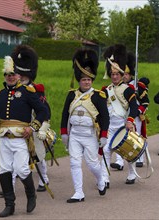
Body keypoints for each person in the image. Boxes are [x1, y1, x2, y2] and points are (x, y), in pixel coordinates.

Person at [0, 45, 48, 218]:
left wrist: (32, 127)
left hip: (20, 139)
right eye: (8, 75)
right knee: (4, 170)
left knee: (22, 170)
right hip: (4, 139)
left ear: (18, 75)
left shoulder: (27, 92)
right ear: (5, 76)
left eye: (13, 74)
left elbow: (43, 111)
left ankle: (31, 194)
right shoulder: (0, 95)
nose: (10, 77)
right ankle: (9, 205)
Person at [60, 48, 109, 203]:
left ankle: (101, 179)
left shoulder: (98, 96)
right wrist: (64, 133)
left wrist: (104, 135)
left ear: (91, 80)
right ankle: (79, 192)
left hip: (89, 135)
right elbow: (65, 115)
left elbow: (105, 117)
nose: (86, 82)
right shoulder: (71, 95)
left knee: (93, 164)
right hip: (75, 134)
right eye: (83, 79)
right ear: (79, 80)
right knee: (74, 163)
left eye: (89, 79)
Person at [100, 44, 138, 186]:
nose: (114, 76)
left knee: (128, 151)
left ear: (122, 75)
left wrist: (130, 120)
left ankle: (132, 173)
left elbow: (134, 107)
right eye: (112, 74)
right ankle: (105, 178)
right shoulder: (106, 90)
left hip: (124, 125)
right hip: (110, 126)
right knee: (106, 150)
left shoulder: (128, 90)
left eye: (117, 74)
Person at [110, 52, 150, 169]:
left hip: (136, 114)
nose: (125, 76)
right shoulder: (118, 87)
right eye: (124, 74)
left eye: (127, 74)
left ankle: (140, 158)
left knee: (136, 136)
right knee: (120, 138)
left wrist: (139, 111)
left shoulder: (138, 86)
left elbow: (146, 102)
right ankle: (119, 161)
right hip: (122, 114)